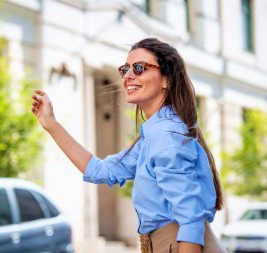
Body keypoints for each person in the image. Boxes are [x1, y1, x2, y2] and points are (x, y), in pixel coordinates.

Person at [31, 38, 227, 253]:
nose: (128, 76)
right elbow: (100, 170)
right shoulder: (155, 135)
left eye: (139, 68)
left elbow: (191, 220)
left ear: (167, 80)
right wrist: (51, 124)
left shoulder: (165, 135)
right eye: (125, 69)